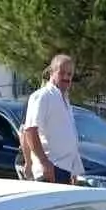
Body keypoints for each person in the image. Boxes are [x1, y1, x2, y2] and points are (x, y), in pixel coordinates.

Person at [23, 54, 83, 184]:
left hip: (64, 170)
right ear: (52, 72)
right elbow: (30, 131)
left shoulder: (65, 101)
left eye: (70, 74)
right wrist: (44, 162)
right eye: (62, 73)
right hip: (51, 169)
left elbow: (69, 137)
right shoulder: (42, 96)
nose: (66, 77)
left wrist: (74, 170)